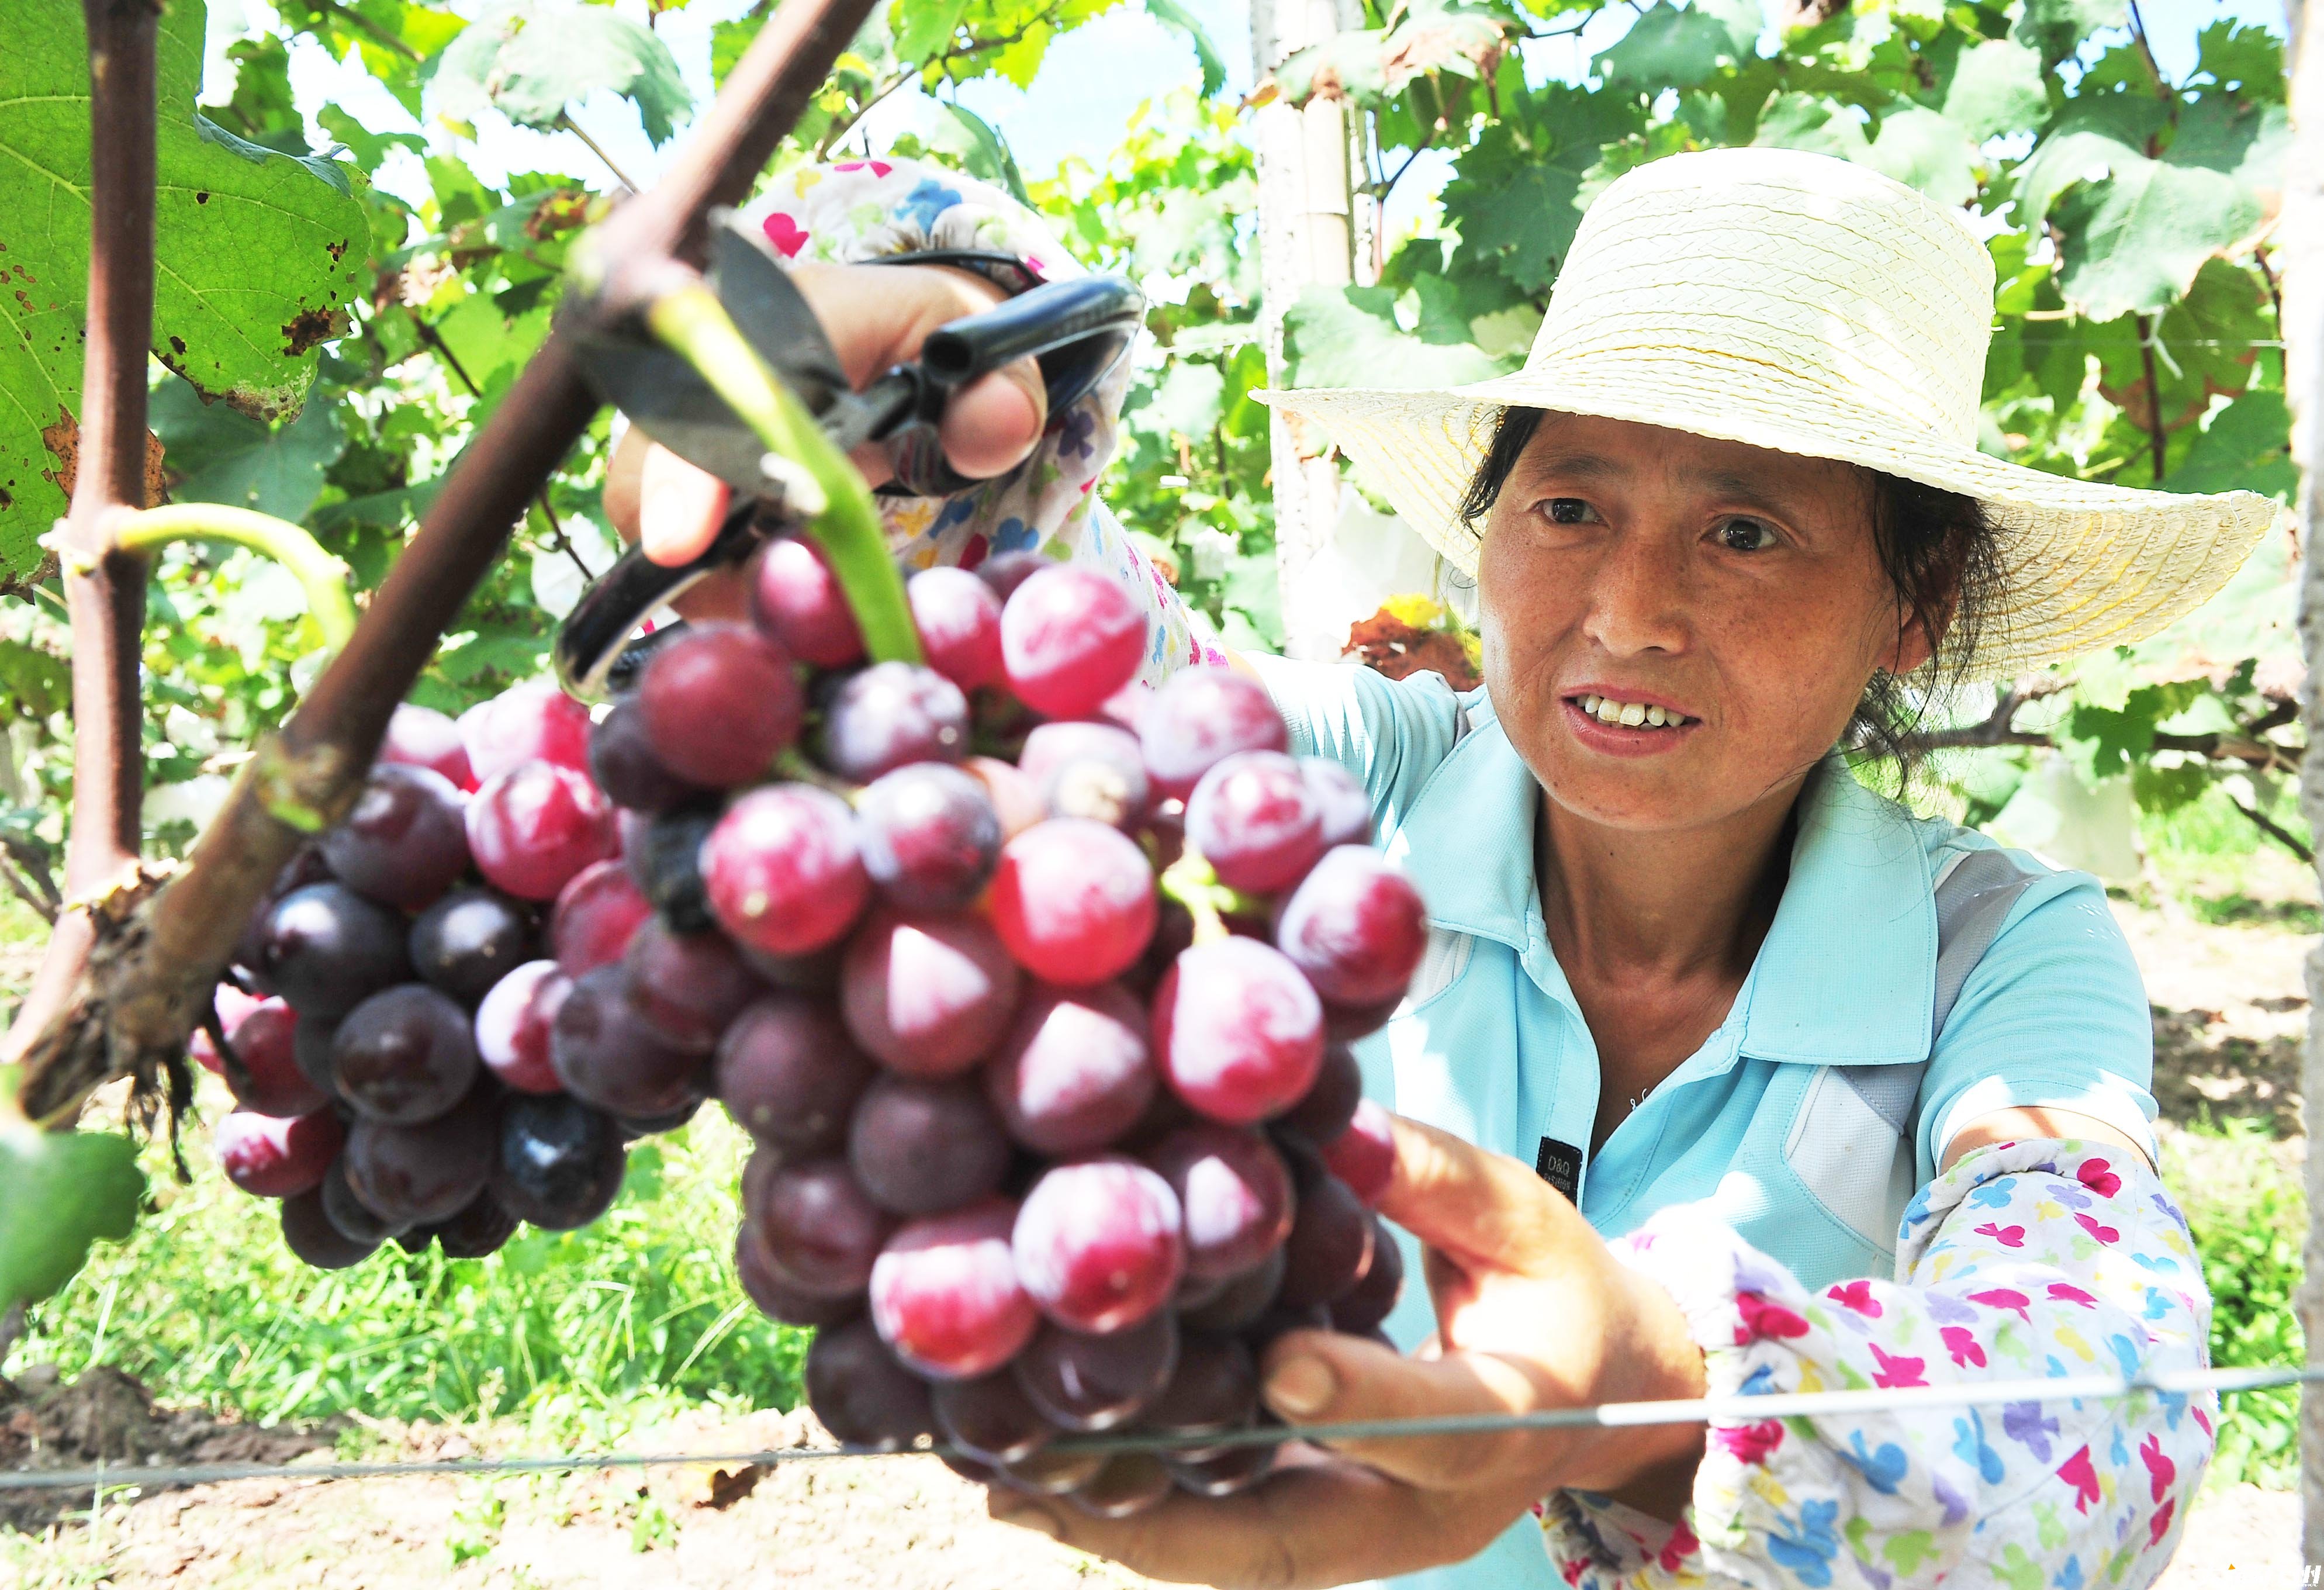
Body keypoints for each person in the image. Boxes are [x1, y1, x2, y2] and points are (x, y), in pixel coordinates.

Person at [605, 148, 2276, 1590]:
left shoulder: (1998, 959)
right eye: (1567, 507)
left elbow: (2101, 1411)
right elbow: (1009, 682)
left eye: (1746, 530)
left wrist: (1663, 1394)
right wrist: (924, 342)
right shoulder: (1333, 792)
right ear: (1483, 529)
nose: (1628, 609)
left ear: (1907, 614)